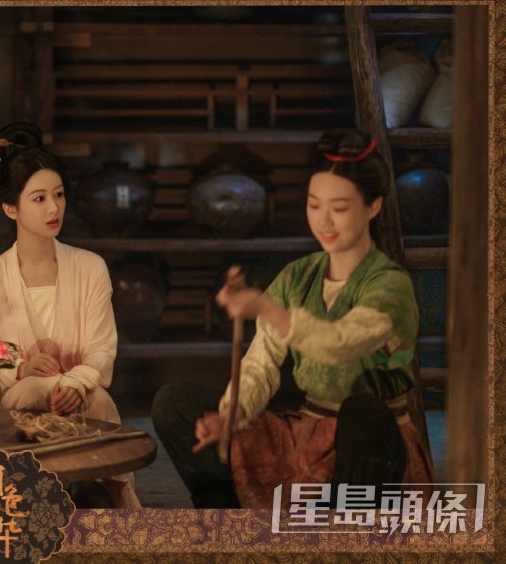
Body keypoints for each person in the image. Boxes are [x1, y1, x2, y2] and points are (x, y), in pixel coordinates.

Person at [151, 128, 436, 508]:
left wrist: (267, 308)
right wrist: (232, 413)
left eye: (339, 208)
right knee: (174, 403)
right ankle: (229, 521)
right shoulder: (297, 276)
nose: (324, 221)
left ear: (373, 206)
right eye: (314, 205)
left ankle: (345, 532)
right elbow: (261, 363)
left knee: (364, 411)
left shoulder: (389, 286)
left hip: (371, 443)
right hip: (306, 436)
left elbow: (340, 344)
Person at [0, 121, 140, 509]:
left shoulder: (90, 269)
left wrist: (74, 383)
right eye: (39, 198)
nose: (54, 208)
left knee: (95, 396)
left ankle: (115, 503)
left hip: (84, 404)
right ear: (11, 208)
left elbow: (102, 350)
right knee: (31, 391)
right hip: (17, 417)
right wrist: (21, 370)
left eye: (58, 195)